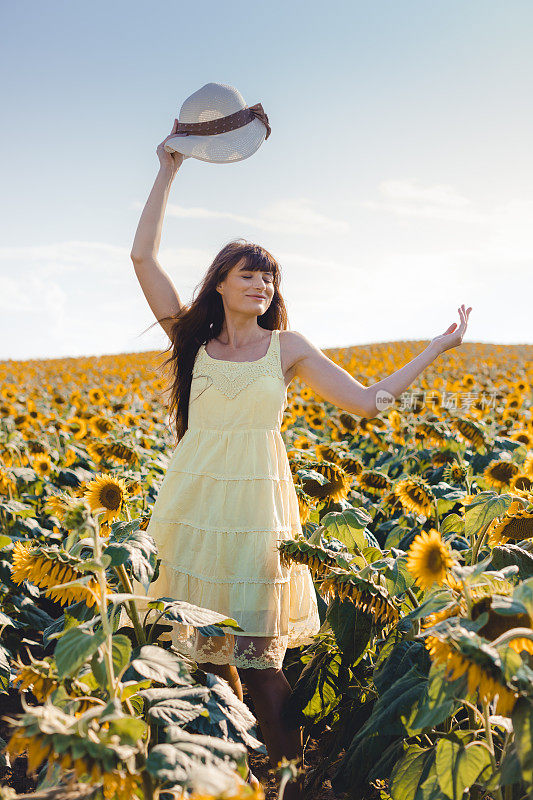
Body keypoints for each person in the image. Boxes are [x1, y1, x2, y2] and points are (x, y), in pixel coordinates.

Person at [130, 120, 472, 797]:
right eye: (247, 273)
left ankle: (288, 780)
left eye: (269, 276)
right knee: (200, 657)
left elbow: (368, 402)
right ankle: (224, 776)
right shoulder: (194, 342)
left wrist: (437, 348)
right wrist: (168, 169)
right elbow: (142, 260)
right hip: (193, 506)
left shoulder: (286, 348)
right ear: (220, 283)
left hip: (257, 509)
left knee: (261, 664)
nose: (261, 283)